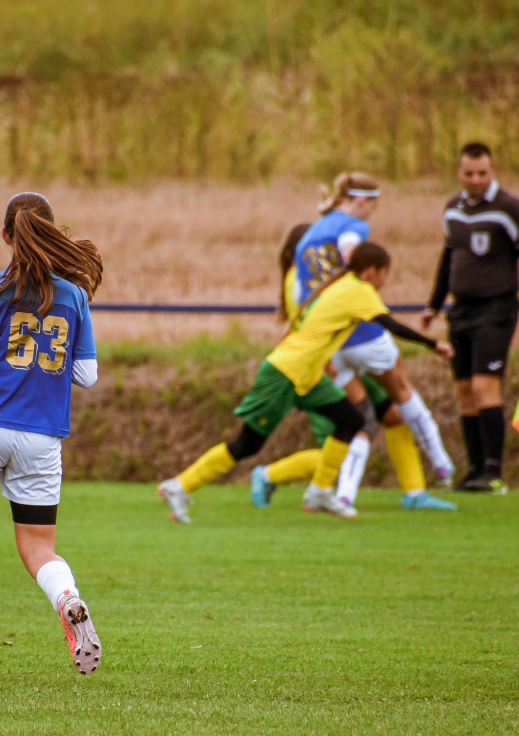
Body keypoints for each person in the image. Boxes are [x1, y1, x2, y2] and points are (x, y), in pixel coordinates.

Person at [158, 242, 454, 523]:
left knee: (351, 421)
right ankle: (180, 487)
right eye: (384, 274)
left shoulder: (341, 286)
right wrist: (433, 344)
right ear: (371, 271)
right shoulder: (358, 289)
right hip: (286, 372)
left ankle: (320, 491)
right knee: (247, 444)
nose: (384, 282)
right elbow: (389, 324)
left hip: (308, 375)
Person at [0, 192, 103, 680]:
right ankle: (67, 597)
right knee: (38, 548)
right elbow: (87, 374)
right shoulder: (73, 296)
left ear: (5, 235)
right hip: (41, 438)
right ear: (51, 232)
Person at [250, 223, 456, 512]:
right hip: (323, 367)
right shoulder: (300, 280)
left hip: (350, 356)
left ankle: (414, 492)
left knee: (393, 416)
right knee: (346, 439)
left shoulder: (333, 279)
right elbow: (308, 330)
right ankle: (270, 476)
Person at [294, 172, 456, 488]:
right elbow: (351, 251)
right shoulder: (354, 226)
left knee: (360, 419)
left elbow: (302, 293)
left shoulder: (309, 236)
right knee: (402, 391)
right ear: (363, 202)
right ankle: (441, 464)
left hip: (331, 344)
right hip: (363, 334)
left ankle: (344, 494)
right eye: (373, 206)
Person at [423, 142, 519, 493]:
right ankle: (474, 469)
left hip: (496, 308)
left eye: (482, 173)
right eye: (469, 173)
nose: (475, 179)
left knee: (484, 386)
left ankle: (493, 471)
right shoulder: (453, 208)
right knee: (464, 391)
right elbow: (449, 257)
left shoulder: (508, 208)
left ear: (492, 171)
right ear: (459, 173)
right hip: (460, 310)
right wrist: (434, 304)